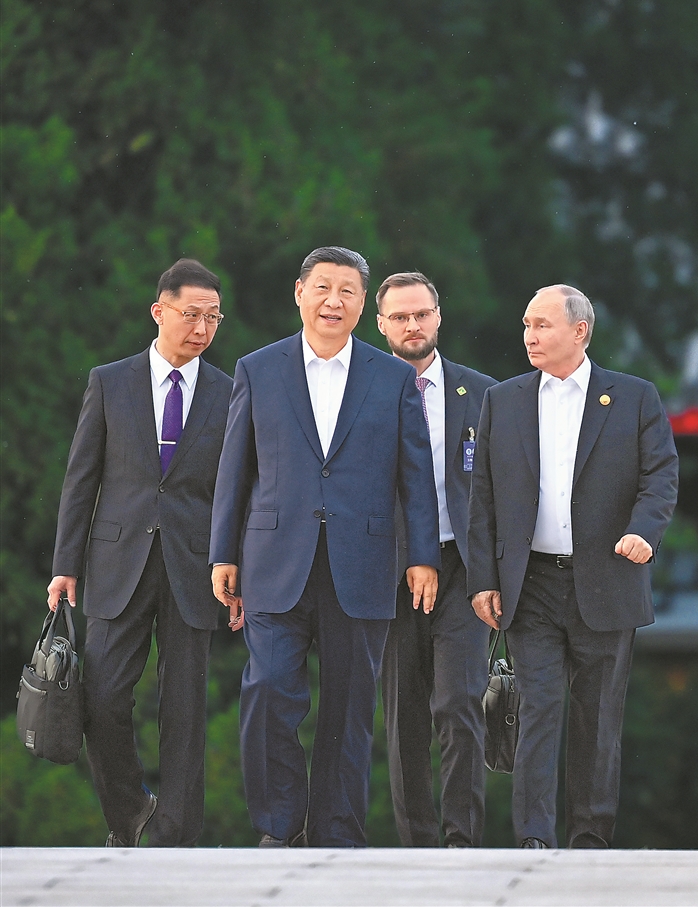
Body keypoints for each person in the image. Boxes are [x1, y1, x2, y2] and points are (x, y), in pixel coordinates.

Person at [209, 246, 440, 849]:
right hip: (272, 560)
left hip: (362, 563)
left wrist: (423, 556)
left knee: (349, 706)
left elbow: (415, 476)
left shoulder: (394, 378)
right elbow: (235, 470)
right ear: (299, 293)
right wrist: (222, 553)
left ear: (364, 306)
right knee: (268, 693)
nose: (334, 301)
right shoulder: (257, 369)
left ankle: (337, 832)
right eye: (323, 288)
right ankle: (279, 828)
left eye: (348, 292)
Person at [468, 284, 678, 849]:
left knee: (597, 717)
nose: (529, 336)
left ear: (579, 331)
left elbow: (660, 476)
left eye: (542, 325)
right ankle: (534, 838)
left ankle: (589, 838)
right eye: (526, 325)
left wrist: (644, 532)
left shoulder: (633, 397)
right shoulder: (503, 400)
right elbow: (483, 495)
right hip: (529, 583)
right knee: (537, 708)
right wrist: (483, 579)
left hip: (607, 578)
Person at [46, 259, 233, 848]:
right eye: (191, 314)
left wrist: (238, 566)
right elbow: (81, 479)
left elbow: (239, 490)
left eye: (213, 317)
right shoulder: (110, 382)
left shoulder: (230, 392)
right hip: (114, 563)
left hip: (196, 567)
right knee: (101, 698)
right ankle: (130, 817)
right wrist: (64, 564)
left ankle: (177, 837)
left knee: (185, 709)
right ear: (159, 311)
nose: (202, 328)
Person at [376, 272, 496, 848]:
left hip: (463, 571)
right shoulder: (361, 390)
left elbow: (500, 491)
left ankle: (462, 842)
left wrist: (495, 574)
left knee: (459, 702)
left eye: (421, 314)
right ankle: (417, 846)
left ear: (438, 316)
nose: (412, 325)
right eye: (400, 317)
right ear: (381, 324)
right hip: (389, 571)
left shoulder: (483, 394)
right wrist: (410, 553)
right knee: (404, 716)